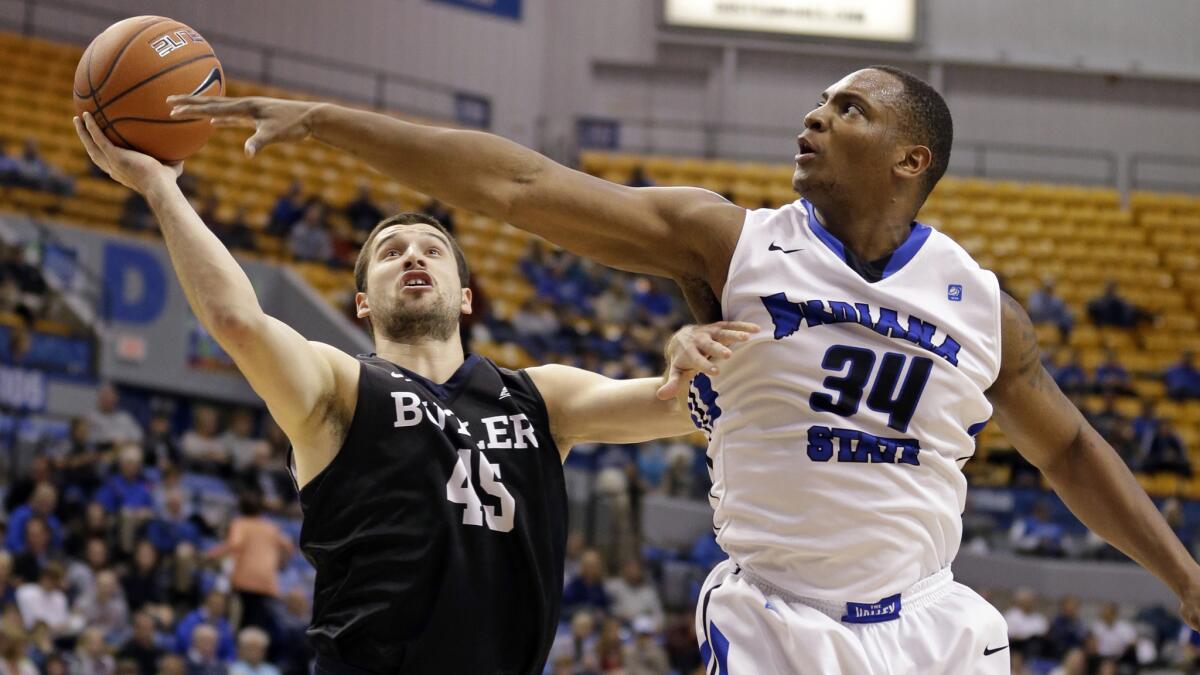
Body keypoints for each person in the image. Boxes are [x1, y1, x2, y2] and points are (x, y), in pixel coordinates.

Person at [172, 67, 1200, 673]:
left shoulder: (982, 304)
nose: (813, 117)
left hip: (933, 622)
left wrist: (1188, 585)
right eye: (818, 103)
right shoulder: (729, 242)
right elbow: (520, 185)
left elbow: (1067, 448)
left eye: (847, 108)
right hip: (779, 622)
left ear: (910, 160)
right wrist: (327, 120)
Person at [75, 112, 742, 674]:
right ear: (363, 301)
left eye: (433, 248)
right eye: (391, 251)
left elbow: (680, 404)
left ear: (467, 295)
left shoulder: (541, 397)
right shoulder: (341, 385)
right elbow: (236, 321)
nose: (414, 255)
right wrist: (161, 189)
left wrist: (690, 349)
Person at [203, 491, 292, 635]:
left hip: (246, 580)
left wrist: (211, 555)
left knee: (244, 620)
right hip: (267, 581)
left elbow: (235, 543)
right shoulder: (270, 527)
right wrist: (280, 562)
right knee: (258, 621)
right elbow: (288, 546)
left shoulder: (240, 524)